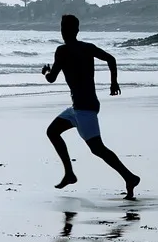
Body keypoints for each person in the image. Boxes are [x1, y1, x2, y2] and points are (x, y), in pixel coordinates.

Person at [42, 14, 141, 200]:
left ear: (71, 31)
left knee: (98, 149)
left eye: (65, 28)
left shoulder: (62, 51)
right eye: (62, 28)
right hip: (80, 107)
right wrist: (114, 83)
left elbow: (51, 78)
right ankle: (69, 174)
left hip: (84, 108)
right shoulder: (88, 48)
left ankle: (130, 177)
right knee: (53, 131)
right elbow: (111, 59)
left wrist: (46, 70)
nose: (63, 32)